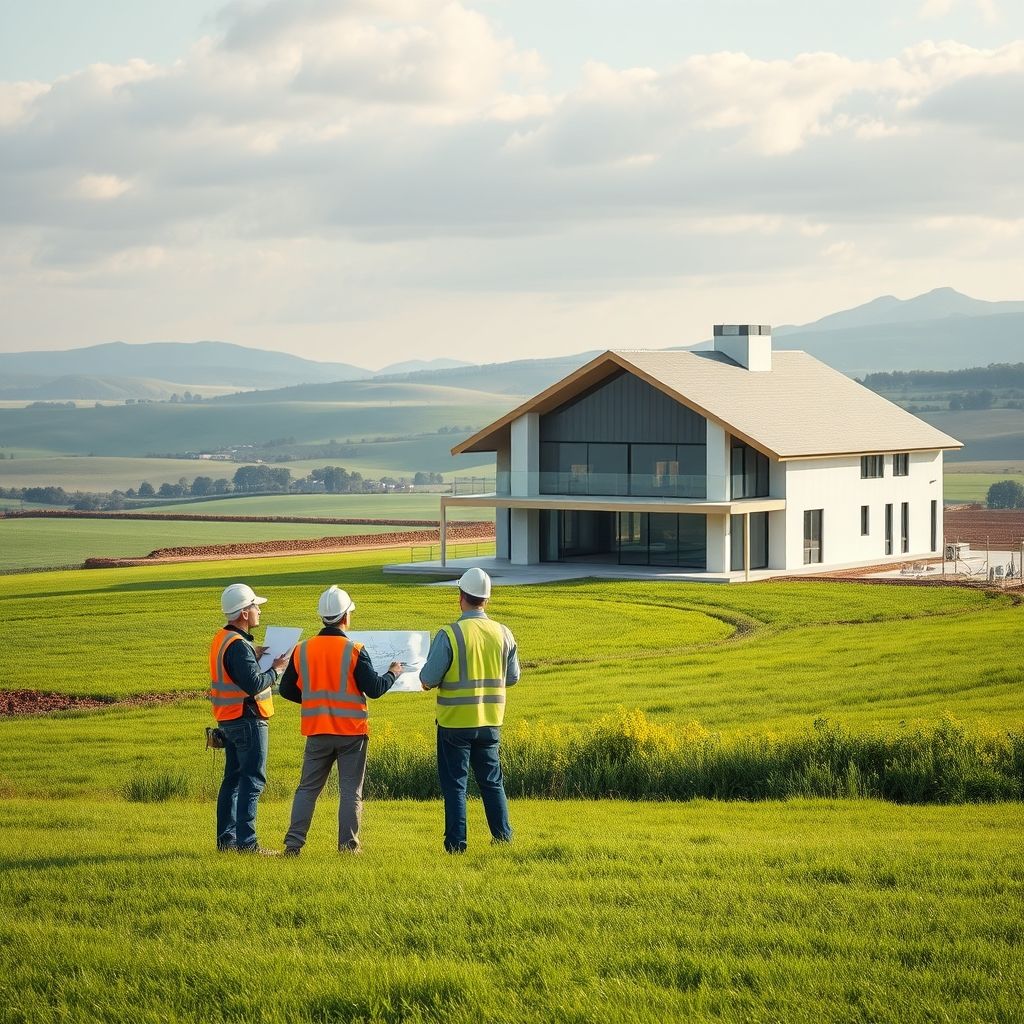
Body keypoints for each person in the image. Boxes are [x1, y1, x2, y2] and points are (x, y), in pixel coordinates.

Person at [279, 585, 403, 855]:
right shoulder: (354, 650)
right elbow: (375, 689)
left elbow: (286, 690)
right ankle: (348, 847)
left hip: (317, 731)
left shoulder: (302, 650)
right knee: (350, 792)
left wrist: (314, 700)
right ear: (346, 616)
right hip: (351, 734)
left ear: (322, 617)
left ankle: (293, 846)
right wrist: (393, 673)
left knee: (307, 789)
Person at [419, 567, 520, 853]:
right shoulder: (503, 633)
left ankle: (456, 845)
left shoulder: (450, 634)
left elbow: (428, 678)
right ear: (486, 599)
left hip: (454, 723)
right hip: (490, 721)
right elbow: (512, 677)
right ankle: (503, 838)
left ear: (461, 596)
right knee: (492, 782)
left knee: (455, 786)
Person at [209, 582, 289, 855]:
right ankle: (247, 844)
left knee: (232, 780)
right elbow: (254, 684)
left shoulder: (224, 639)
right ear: (244, 613)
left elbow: (233, 667)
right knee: (252, 781)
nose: (259, 611)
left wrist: (253, 654)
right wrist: (276, 670)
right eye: (255, 606)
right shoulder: (238, 646)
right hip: (248, 719)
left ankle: (227, 842)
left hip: (228, 719)